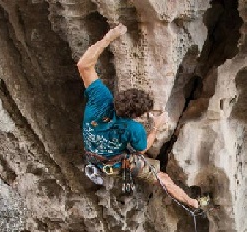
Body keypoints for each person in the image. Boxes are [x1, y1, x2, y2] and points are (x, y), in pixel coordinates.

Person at [76, 24, 207, 210]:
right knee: (163, 178)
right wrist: (155, 127)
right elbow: (142, 149)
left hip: (93, 154)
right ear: (135, 116)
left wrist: (109, 37)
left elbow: (84, 65)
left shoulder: (100, 98)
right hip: (115, 164)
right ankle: (193, 203)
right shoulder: (133, 128)